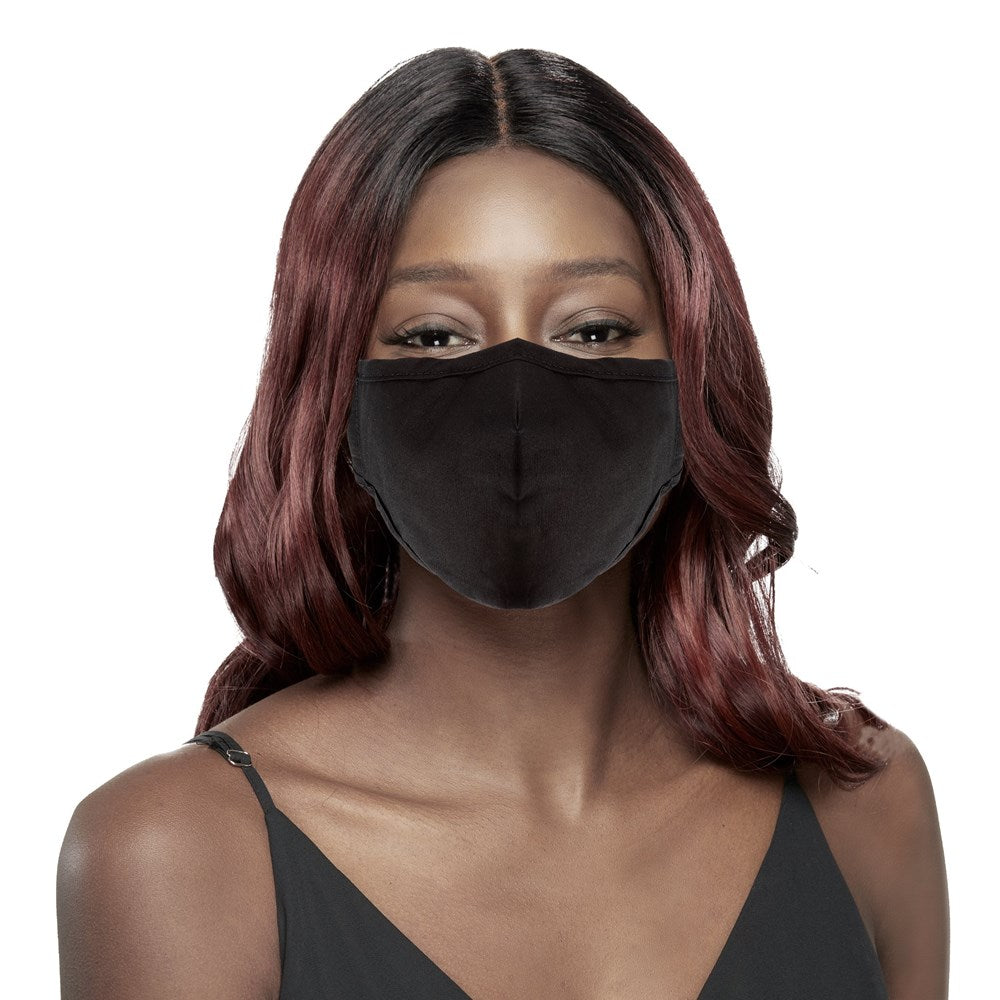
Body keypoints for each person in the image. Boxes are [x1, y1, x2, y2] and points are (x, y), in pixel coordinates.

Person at [56, 47, 949, 999]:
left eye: (593, 329)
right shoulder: (177, 853)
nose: (518, 389)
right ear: (333, 391)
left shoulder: (865, 806)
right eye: (434, 335)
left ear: (693, 366)